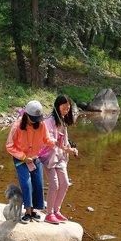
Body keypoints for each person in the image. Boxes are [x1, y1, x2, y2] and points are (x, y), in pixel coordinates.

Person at [6, 100, 55, 224]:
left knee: (38, 183)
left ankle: (34, 210)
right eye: (33, 118)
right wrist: (23, 157)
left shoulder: (41, 124)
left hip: (34, 158)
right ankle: (27, 212)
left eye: (37, 118)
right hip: (20, 159)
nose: (36, 120)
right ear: (26, 114)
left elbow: (46, 139)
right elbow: (9, 145)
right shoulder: (17, 126)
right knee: (26, 183)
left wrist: (55, 141)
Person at [39, 95, 78, 224]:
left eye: (68, 109)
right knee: (54, 184)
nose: (66, 111)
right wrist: (65, 148)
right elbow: (49, 141)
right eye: (64, 108)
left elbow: (65, 142)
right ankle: (49, 213)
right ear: (57, 106)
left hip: (60, 157)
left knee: (65, 183)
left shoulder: (62, 121)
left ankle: (56, 210)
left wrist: (71, 148)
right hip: (49, 157)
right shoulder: (48, 121)